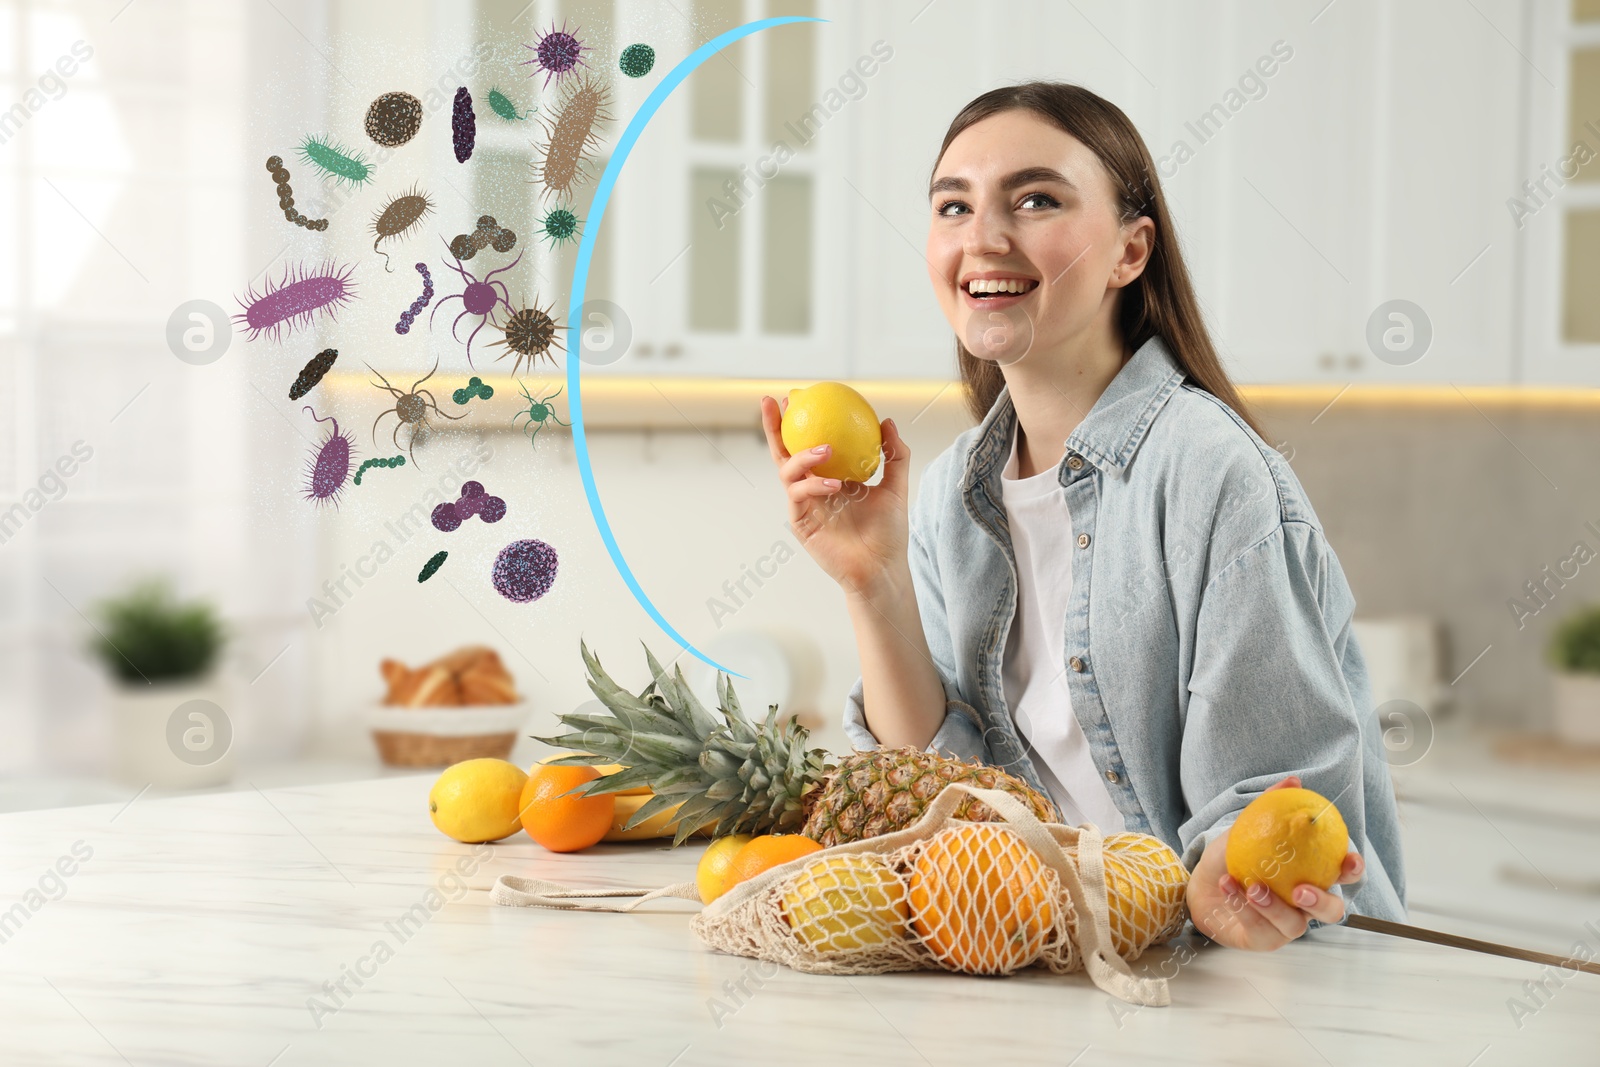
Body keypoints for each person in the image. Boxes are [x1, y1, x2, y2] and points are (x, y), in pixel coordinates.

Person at [759, 82, 1405, 950]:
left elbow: (1278, 806)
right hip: (1066, 960)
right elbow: (951, 784)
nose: (983, 238)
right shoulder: (955, 493)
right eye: (954, 205)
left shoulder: (1214, 477)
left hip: (1240, 980)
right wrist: (871, 581)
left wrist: (1236, 877)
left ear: (1130, 252)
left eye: (1035, 199)